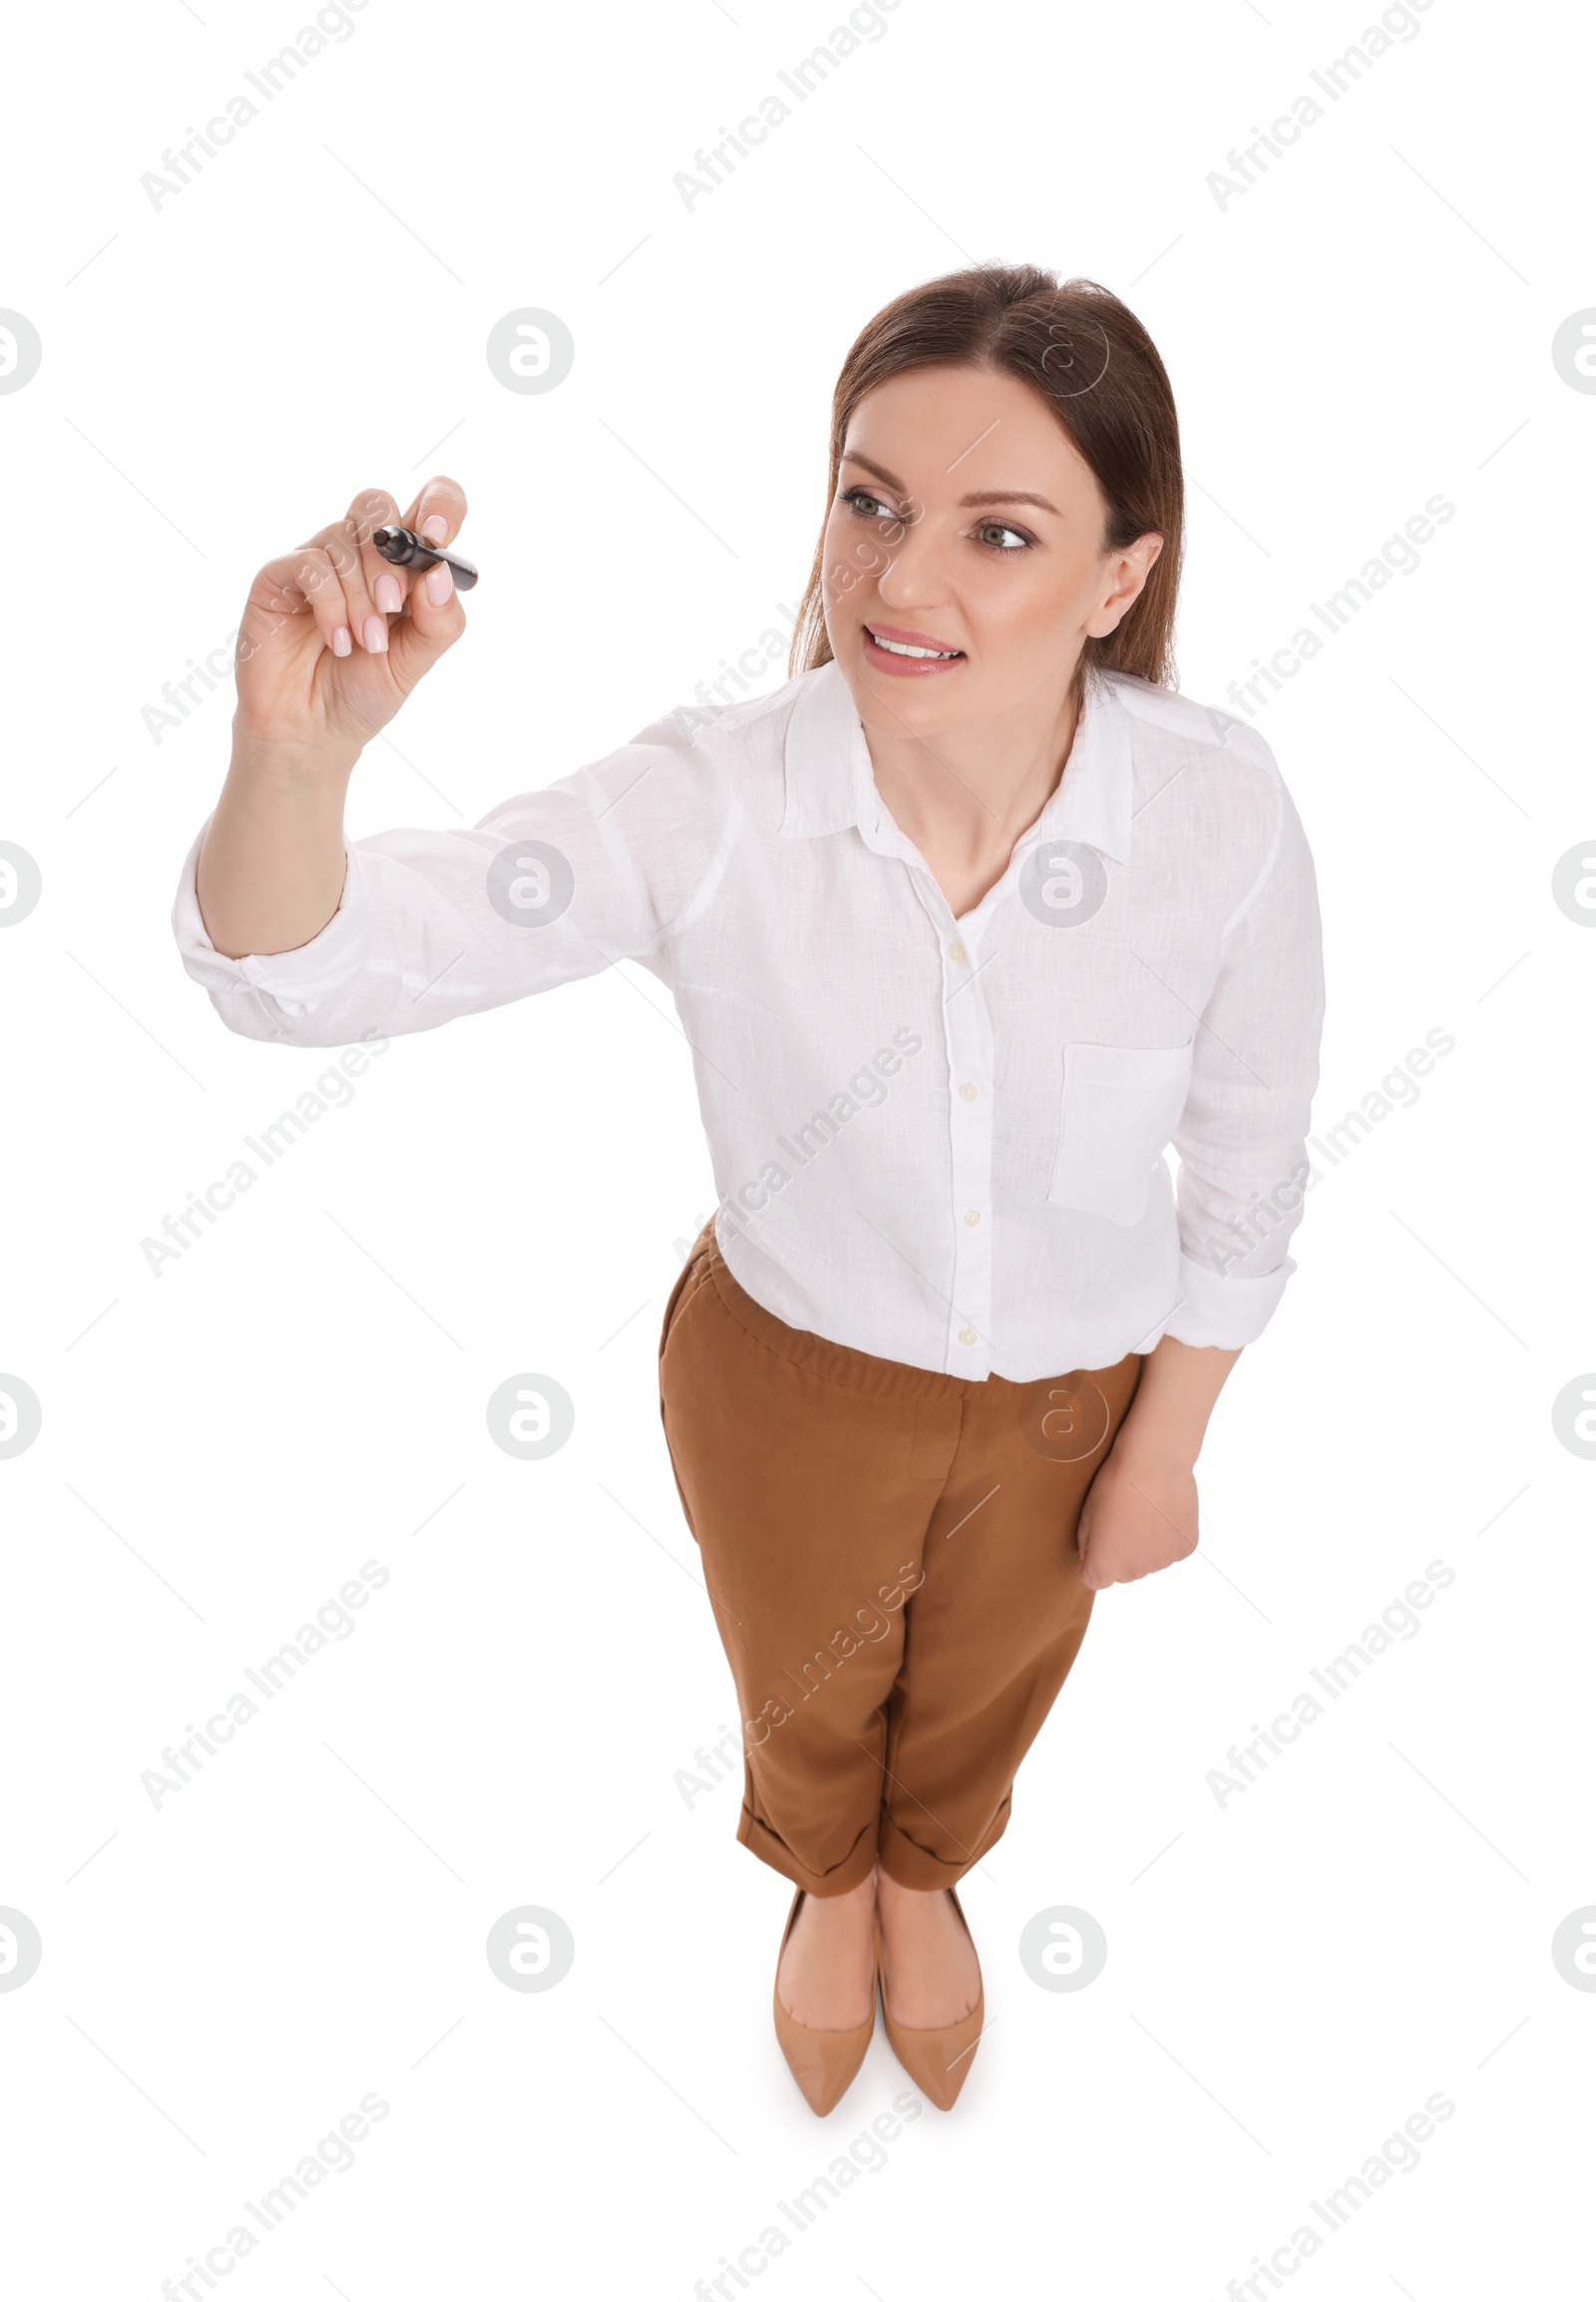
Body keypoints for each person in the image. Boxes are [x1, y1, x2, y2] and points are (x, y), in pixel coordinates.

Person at [173, 263, 1325, 2117]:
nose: (900, 581)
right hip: (791, 1375)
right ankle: (827, 1877)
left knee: (983, 1689)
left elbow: (1254, 1158)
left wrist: (1164, 1443)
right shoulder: (711, 803)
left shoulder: (1219, 813)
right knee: (806, 1684)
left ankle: (928, 1866)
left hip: (1073, 1393)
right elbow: (305, 970)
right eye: (868, 502)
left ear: (1120, 577)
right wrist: (294, 759)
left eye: (1000, 531)